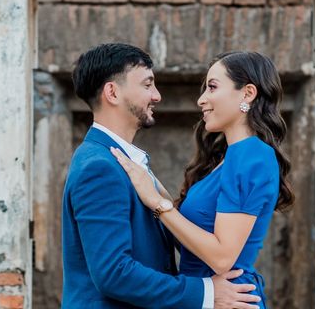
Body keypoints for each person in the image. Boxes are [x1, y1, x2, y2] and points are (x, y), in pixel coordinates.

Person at [62, 43, 262, 309]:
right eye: (147, 85)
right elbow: (113, 273)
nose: (157, 95)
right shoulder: (99, 167)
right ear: (112, 92)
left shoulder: (123, 161)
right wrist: (206, 293)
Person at [112, 51, 295, 309]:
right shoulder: (227, 158)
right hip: (205, 297)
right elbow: (190, 237)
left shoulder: (252, 156)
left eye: (212, 87)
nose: (201, 100)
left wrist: (157, 203)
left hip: (230, 299)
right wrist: (150, 183)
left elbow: (221, 258)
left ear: (248, 93)